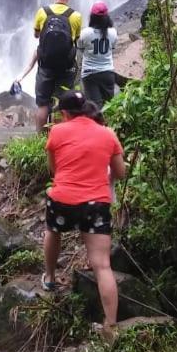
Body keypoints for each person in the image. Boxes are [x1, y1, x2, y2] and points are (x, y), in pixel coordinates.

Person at [43, 90, 125, 330]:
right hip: (95, 204)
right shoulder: (108, 134)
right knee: (102, 265)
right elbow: (120, 173)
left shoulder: (57, 131)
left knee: (53, 230)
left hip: (63, 199)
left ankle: (49, 278)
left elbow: (54, 170)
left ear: (65, 113)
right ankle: (110, 325)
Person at [32, 0, 82, 132]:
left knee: (42, 105)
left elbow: (36, 35)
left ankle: (40, 140)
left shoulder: (42, 12)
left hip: (45, 65)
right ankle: (59, 138)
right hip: (66, 67)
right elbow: (75, 39)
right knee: (61, 103)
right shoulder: (76, 16)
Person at [77, 1, 118, 109]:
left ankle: (95, 125)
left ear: (92, 17)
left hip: (90, 74)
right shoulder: (113, 32)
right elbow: (112, 48)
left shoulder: (85, 33)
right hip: (107, 73)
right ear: (106, 17)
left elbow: (80, 48)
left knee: (94, 108)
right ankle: (108, 126)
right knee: (109, 107)